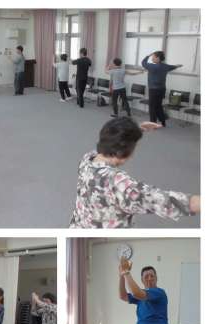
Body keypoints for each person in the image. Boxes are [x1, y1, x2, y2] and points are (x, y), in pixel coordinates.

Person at [69, 117, 200, 228]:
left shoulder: (88, 159)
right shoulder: (118, 184)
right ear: (124, 153)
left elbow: (113, 139)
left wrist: (137, 130)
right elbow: (163, 200)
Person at [141, 51, 182, 127]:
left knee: (152, 107)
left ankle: (153, 123)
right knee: (158, 106)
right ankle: (163, 122)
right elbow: (173, 67)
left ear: (158, 58)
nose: (152, 59)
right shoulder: (165, 66)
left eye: (153, 57)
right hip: (162, 89)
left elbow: (143, 63)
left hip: (153, 90)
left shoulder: (152, 66)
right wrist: (177, 66)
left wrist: (148, 55)